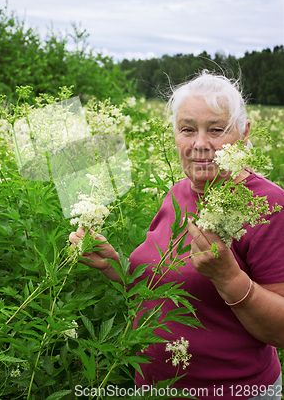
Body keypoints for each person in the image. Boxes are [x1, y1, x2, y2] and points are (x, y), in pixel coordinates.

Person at [69, 71, 284, 400]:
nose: (200, 144)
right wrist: (117, 267)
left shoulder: (269, 205)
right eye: (187, 129)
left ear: (243, 132)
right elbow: (165, 285)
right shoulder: (177, 193)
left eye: (216, 130)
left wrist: (229, 278)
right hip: (153, 387)